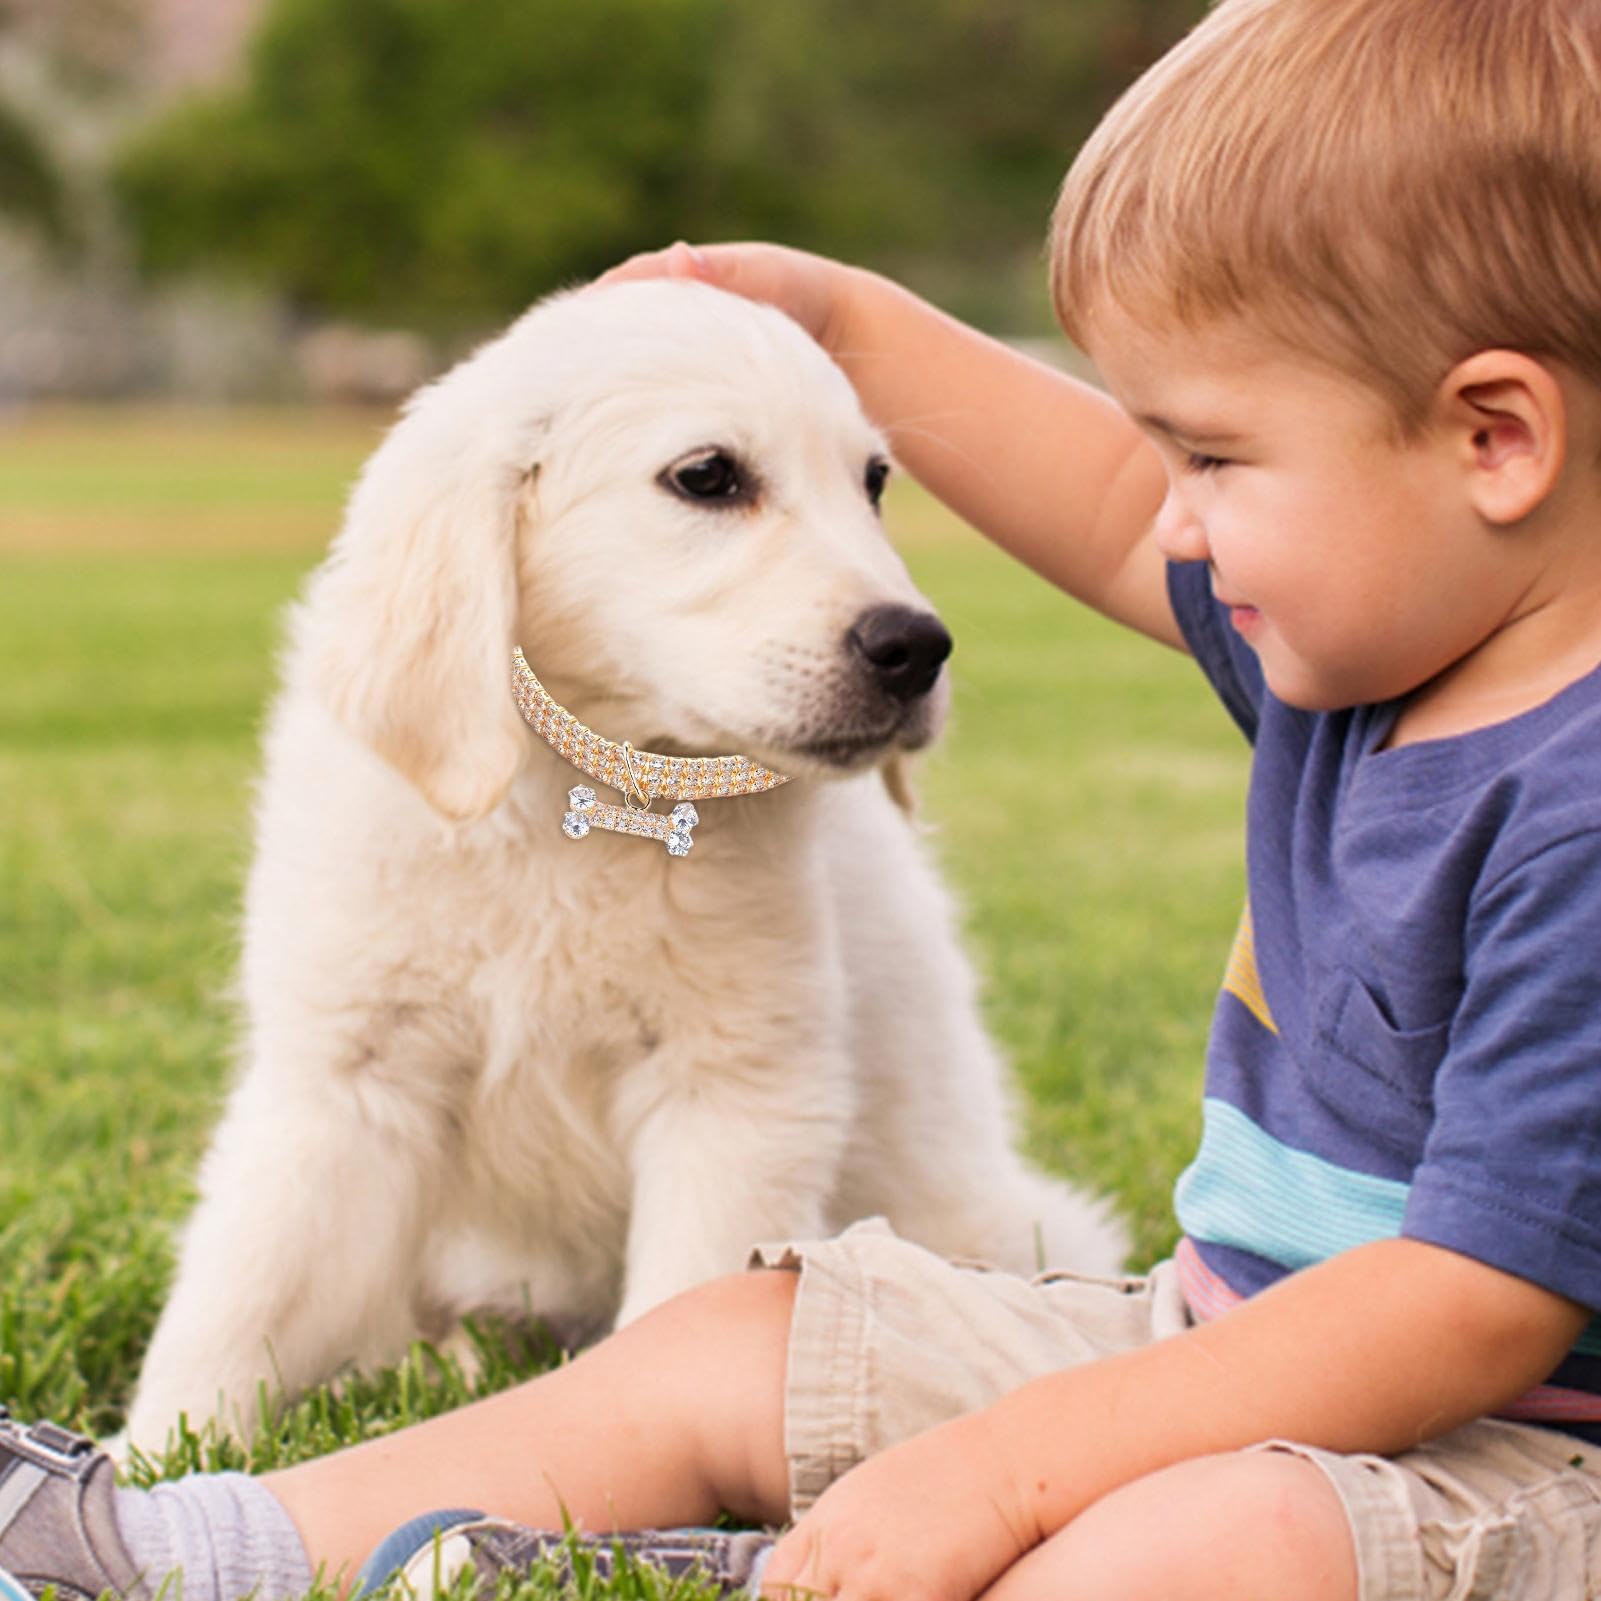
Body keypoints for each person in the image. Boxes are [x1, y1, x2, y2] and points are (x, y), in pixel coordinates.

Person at [8, 0, 1601, 1596]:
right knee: (721, 1341)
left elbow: (1467, 1303)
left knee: (1214, 1535)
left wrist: (1015, 1463)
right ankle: (179, 1544)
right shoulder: (1375, 637)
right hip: (1208, 1339)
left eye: (1215, 460)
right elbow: (1110, 506)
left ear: (1490, 439)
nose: (1171, 526)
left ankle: (759, 1574)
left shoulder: (1579, 809)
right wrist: (832, 312)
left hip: (1520, 1447)